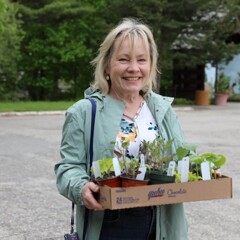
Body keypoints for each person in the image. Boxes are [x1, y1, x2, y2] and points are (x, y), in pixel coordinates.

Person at [55, 18, 188, 240]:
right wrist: (81, 188)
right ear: (107, 65)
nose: (134, 68)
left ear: (151, 65)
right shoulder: (84, 112)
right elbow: (67, 168)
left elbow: (182, 157)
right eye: (124, 59)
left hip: (163, 217)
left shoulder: (162, 110)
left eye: (142, 60)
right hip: (111, 221)